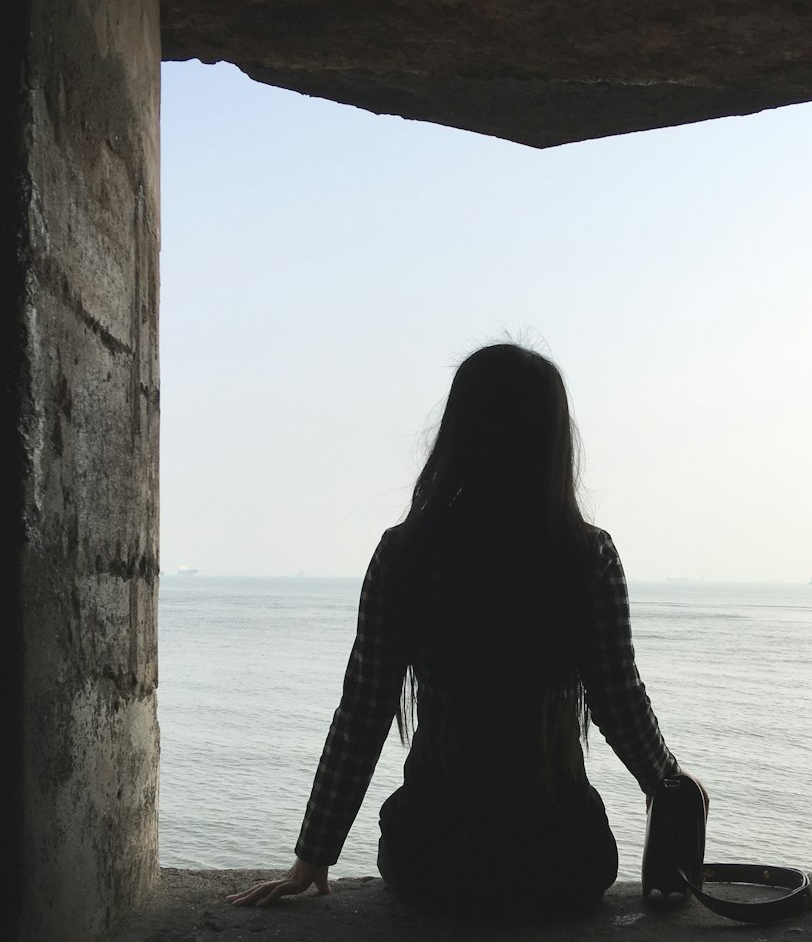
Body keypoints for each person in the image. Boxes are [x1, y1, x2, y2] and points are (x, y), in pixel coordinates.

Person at [229, 343, 680, 912]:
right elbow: (620, 701)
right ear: (554, 440)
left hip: (434, 860)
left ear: (458, 435)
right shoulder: (587, 558)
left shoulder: (405, 555)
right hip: (565, 863)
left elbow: (363, 713)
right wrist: (670, 786)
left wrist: (313, 854)